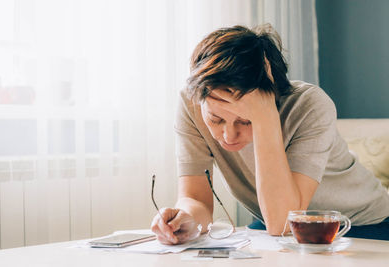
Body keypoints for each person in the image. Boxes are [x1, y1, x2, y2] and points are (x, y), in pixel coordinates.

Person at [150, 24, 389, 244]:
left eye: (245, 121)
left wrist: (265, 119)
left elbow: (283, 222)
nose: (229, 135)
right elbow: (197, 200)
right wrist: (186, 219)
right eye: (216, 119)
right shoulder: (191, 103)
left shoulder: (311, 106)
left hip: (362, 224)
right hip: (279, 224)